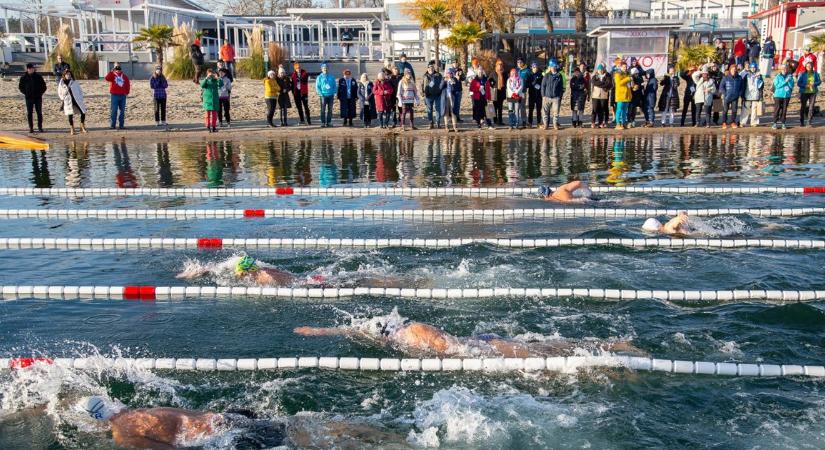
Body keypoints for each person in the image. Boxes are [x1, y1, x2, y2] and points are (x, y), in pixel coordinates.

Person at [80, 395, 405, 449]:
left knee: (304, 443)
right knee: (296, 429)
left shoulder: (123, 434)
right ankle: (380, 435)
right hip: (228, 418)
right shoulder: (145, 410)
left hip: (224, 439)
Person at [294, 310, 643, 358]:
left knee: (541, 353)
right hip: (482, 341)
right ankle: (609, 346)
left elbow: (452, 348)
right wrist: (318, 330)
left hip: (484, 347)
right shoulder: (400, 332)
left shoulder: (414, 332)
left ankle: (612, 347)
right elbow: (354, 328)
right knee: (542, 345)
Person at [56, 69, 87, 135]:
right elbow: (59, 92)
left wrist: (81, 98)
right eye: (67, 74)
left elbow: (80, 90)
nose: (68, 76)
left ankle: (82, 126)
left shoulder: (74, 82)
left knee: (83, 112)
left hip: (77, 99)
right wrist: (62, 98)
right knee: (70, 114)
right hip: (67, 100)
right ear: (64, 75)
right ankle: (72, 128)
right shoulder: (61, 83)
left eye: (69, 74)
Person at [18, 62, 47, 133]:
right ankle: (31, 128)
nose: (31, 70)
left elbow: (44, 87)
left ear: (34, 69)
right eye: (29, 69)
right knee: (29, 113)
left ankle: (40, 127)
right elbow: (20, 87)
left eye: (32, 68)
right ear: (27, 69)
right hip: (29, 98)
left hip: (38, 98)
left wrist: (40, 93)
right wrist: (26, 93)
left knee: (39, 112)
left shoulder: (38, 77)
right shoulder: (23, 77)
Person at [104, 64, 130, 130]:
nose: (118, 70)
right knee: (113, 111)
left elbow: (127, 85)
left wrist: (127, 92)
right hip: (114, 95)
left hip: (122, 96)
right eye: (116, 69)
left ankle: (121, 125)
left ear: (121, 69)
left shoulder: (124, 76)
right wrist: (111, 71)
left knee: (122, 111)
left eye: (119, 69)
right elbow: (107, 78)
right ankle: (112, 125)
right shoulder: (112, 75)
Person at [718, 64, 744, 129]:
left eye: (735, 69)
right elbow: (721, 87)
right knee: (725, 110)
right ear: (730, 70)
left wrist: (739, 93)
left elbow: (742, 87)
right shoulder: (725, 77)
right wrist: (725, 93)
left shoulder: (739, 77)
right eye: (732, 69)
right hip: (727, 97)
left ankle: (733, 122)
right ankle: (724, 123)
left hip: (735, 97)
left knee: (734, 110)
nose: (734, 70)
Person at [541, 60, 564, 130]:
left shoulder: (559, 76)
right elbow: (543, 86)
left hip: (556, 98)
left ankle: (555, 125)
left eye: (554, 66)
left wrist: (559, 96)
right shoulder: (547, 75)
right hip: (546, 97)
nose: (553, 68)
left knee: (556, 112)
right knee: (545, 112)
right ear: (550, 67)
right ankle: (545, 125)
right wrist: (543, 95)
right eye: (551, 66)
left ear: (556, 67)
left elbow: (561, 87)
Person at [797, 60, 821, 127]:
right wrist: (805, 86)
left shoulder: (815, 73)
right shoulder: (802, 74)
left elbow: (819, 81)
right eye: (807, 66)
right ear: (805, 67)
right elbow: (798, 83)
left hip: (813, 92)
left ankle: (809, 122)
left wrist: (814, 83)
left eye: (810, 66)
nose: (809, 67)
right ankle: (801, 122)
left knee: (811, 107)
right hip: (804, 92)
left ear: (812, 66)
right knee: (803, 107)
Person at [740, 62, 764, 127]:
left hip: (756, 95)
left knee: (754, 109)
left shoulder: (759, 76)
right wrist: (742, 95)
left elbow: (761, 86)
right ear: (750, 68)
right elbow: (743, 85)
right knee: (745, 109)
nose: (753, 69)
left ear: (756, 68)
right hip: (747, 94)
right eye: (752, 67)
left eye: (754, 67)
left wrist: (761, 96)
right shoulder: (746, 75)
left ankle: (754, 122)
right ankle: (742, 122)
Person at [422, 63, 444, 129]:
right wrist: (422, 93)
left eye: (432, 67)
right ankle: (431, 123)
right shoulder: (425, 76)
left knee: (438, 109)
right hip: (428, 96)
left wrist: (439, 90)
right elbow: (422, 85)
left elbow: (442, 83)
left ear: (434, 68)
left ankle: (438, 123)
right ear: (427, 68)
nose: (431, 68)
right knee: (429, 110)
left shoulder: (438, 75)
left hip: (437, 95)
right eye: (429, 67)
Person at [199, 68, 222, 133]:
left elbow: (221, 84)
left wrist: (217, 78)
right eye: (209, 73)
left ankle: (214, 127)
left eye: (212, 73)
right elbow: (202, 85)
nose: (211, 75)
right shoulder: (206, 80)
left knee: (214, 115)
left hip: (214, 100)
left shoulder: (215, 80)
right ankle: (208, 126)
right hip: (207, 100)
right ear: (207, 74)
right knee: (207, 115)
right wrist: (206, 78)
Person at [772, 64, 794, 129]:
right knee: (777, 109)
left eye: (785, 69)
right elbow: (777, 86)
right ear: (780, 70)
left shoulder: (790, 76)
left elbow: (791, 86)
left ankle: (783, 123)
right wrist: (785, 81)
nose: (784, 70)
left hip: (786, 95)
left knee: (784, 110)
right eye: (783, 69)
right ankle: (774, 123)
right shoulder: (777, 77)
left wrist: (789, 81)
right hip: (778, 95)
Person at [590, 64, 611, 128]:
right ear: (597, 70)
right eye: (599, 70)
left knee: (602, 109)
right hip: (595, 95)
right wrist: (602, 84)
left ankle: (600, 122)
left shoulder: (607, 76)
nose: (601, 71)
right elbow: (594, 82)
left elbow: (608, 83)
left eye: (601, 70)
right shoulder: (595, 76)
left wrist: (600, 84)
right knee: (595, 108)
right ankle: (593, 122)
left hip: (603, 95)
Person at [315, 63, 336, 127]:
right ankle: (323, 122)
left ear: (328, 69)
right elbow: (317, 87)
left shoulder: (331, 77)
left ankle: (329, 122)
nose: (325, 69)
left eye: (326, 68)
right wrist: (321, 94)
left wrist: (333, 92)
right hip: (323, 96)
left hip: (330, 95)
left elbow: (334, 85)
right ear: (321, 69)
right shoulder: (319, 77)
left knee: (330, 109)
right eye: (324, 68)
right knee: (323, 110)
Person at [440, 67, 460, 132]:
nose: (449, 75)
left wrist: (453, 85)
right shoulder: (443, 79)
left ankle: (455, 126)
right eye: (448, 73)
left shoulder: (455, 80)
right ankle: (446, 126)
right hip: (445, 98)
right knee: (446, 112)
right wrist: (444, 81)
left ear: (452, 74)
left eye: (450, 73)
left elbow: (457, 89)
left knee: (453, 111)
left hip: (452, 98)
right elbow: (440, 87)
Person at [613, 62, 632, 130]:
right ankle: (618, 124)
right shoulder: (617, 74)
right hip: (620, 95)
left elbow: (629, 85)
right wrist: (627, 79)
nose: (625, 68)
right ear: (620, 67)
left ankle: (623, 123)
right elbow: (619, 83)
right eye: (624, 67)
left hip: (627, 96)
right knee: (619, 110)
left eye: (626, 67)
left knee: (625, 111)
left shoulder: (627, 74)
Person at [526, 62, 544, 128]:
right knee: (531, 110)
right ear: (531, 68)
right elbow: (526, 85)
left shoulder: (541, 75)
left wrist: (540, 86)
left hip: (539, 95)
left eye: (536, 67)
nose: (535, 69)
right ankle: (530, 123)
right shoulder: (529, 75)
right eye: (534, 67)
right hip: (531, 95)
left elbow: (543, 84)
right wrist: (532, 84)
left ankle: (539, 123)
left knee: (538, 110)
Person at [491, 59, 507, 125]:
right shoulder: (493, 73)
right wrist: (493, 85)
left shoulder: (504, 73)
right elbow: (489, 81)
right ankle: (495, 120)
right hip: (495, 92)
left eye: (501, 65)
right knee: (495, 107)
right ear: (496, 65)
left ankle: (500, 121)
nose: (500, 66)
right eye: (498, 65)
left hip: (502, 92)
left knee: (500, 108)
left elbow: (507, 82)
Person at [516, 59, 530, 128]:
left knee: (522, 107)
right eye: (517, 62)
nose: (518, 63)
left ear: (523, 63)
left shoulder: (527, 71)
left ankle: (524, 121)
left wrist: (526, 86)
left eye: (520, 62)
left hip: (523, 92)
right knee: (516, 107)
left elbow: (530, 80)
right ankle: (516, 121)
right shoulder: (516, 70)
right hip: (516, 92)